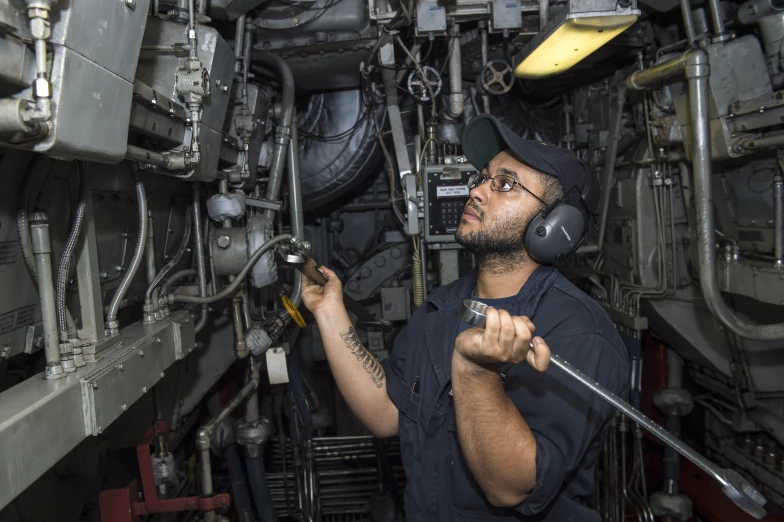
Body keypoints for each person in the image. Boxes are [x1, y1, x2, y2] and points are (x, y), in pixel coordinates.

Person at [300, 113, 630, 521]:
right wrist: (329, 310)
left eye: (505, 184)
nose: (475, 191)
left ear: (554, 225)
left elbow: (510, 487)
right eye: (483, 177)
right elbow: (387, 412)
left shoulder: (579, 333)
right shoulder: (443, 306)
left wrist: (475, 372)